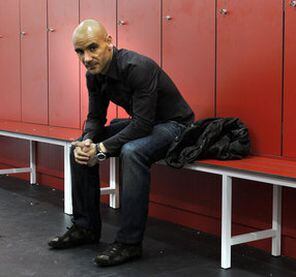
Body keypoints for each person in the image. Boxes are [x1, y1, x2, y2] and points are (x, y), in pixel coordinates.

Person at [47, 19, 194, 267]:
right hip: (145, 122)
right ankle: (85, 228)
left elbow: (143, 126)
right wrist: (89, 141)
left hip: (175, 125)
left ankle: (129, 243)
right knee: (80, 145)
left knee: (132, 151)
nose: (86, 58)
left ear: (109, 43)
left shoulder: (137, 67)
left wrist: (101, 149)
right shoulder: (94, 75)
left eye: (92, 48)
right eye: (80, 52)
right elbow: (95, 117)